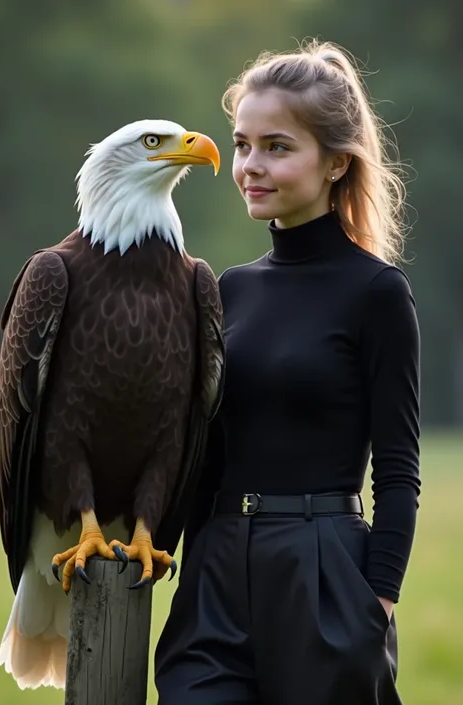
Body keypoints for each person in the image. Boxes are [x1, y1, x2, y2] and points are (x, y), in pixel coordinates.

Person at [155, 39, 421, 705]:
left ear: (336, 162)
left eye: (277, 146)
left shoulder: (377, 293)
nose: (249, 165)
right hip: (214, 572)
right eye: (242, 144)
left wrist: (375, 605)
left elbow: (398, 471)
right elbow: (202, 454)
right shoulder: (226, 289)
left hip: (324, 574)